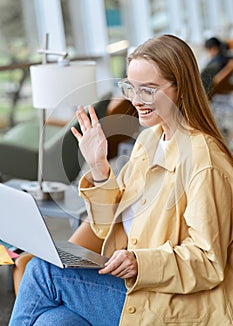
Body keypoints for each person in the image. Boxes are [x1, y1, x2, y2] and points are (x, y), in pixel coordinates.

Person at [9, 34, 233, 326]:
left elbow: (207, 262)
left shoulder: (206, 164)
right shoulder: (150, 141)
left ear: (181, 88)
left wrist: (140, 262)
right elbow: (107, 224)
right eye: (131, 88)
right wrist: (99, 167)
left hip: (177, 301)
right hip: (138, 287)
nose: (136, 100)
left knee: (42, 272)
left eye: (148, 90)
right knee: (54, 321)